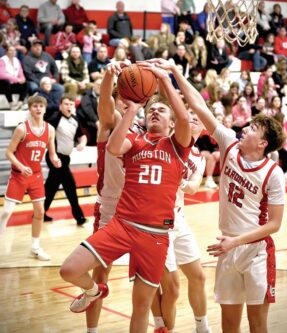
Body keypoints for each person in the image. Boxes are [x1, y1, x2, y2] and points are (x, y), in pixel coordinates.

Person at [148, 57, 286, 333]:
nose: (243, 129)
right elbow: (198, 103)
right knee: (229, 326)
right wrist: (174, 70)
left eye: (252, 129)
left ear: (262, 144)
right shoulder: (229, 146)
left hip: (255, 250)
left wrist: (236, 241)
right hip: (227, 247)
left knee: (258, 324)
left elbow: (274, 225)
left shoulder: (274, 173)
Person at [59, 63, 192, 333]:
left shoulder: (177, 146)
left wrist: (164, 79)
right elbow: (114, 145)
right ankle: (94, 303)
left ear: (171, 121)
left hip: (155, 232)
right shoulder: (133, 140)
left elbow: (185, 120)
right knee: (72, 270)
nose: (154, 110)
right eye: (151, 108)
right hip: (119, 219)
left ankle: (162, 326)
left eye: (161, 109)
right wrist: (131, 104)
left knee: (147, 300)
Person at [84, 61, 138, 333]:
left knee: (149, 277)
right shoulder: (110, 123)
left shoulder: (139, 129)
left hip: (140, 211)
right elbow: (104, 103)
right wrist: (108, 76)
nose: (126, 105)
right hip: (110, 210)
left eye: (131, 100)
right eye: (122, 100)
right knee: (101, 273)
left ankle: (161, 324)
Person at [151, 109, 212, 333]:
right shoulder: (166, 142)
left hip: (178, 218)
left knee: (198, 276)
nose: (194, 118)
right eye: (190, 115)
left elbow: (195, 187)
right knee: (169, 288)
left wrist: (178, 181)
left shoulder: (198, 156)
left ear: (205, 128)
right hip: (155, 221)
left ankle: (202, 328)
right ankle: (163, 328)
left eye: (199, 117)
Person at [0, 96, 61, 260]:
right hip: (19, 175)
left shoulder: (50, 129)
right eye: (35, 106)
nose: (38, 109)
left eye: (41, 106)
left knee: (40, 211)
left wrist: (55, 160)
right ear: (30, 108)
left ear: (45, 108)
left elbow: (52, 153)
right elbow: (8, 152)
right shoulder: (22, 128)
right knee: (6, 212)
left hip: (36, 175)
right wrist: (20, 166)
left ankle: (35, 247)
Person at [44, 95, 87, 225]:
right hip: (55, 158)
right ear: (60, 106)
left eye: (71, 104)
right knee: (70, 186)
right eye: (66, 104)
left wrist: (82, 143)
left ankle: (40, 212)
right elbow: (44, 134)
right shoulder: (54, 119)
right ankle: (79, 217)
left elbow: (81, 135)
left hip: (65, 159)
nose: (69, 107)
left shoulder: (74, 119)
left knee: (50, 188)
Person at [0, 44, 27, 110]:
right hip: (3, 85)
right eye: (11, 50)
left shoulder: (17, 60)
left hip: (13, 84)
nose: (13, 52)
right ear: (6, 52)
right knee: (5, 82)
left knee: (26, 83)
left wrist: (22, 79)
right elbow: (2, 75)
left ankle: (20, 103)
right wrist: (17, 80)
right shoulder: (2, 60)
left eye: (14, 50)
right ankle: (11, 103)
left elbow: (21, 73)